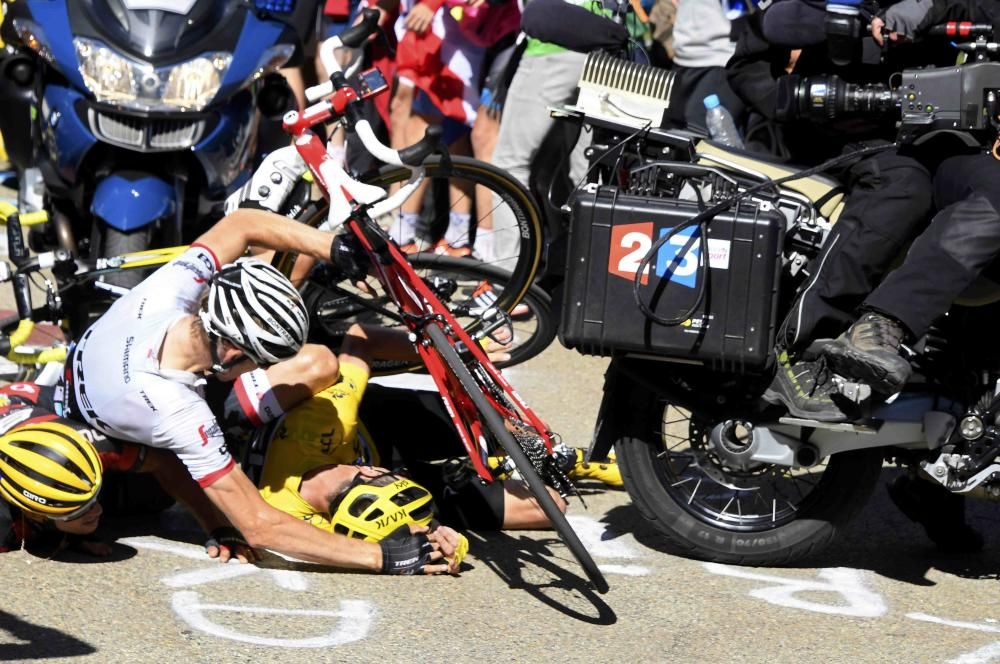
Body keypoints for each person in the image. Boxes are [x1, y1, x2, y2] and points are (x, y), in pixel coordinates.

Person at [57, 207, 463, 575]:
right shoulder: (177, 410)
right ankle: (239, 441)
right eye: (264, 359)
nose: (268, 368)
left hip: (104, 369)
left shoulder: (172, 290)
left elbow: (243, 223)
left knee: (303, 270)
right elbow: (260, 526)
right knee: (318, 364)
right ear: (233, 351)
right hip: (116, 427)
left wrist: (335, 248)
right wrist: (385, 557)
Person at [725, 0, 938, 421]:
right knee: (903, 186)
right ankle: (802, 344)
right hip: (854, 139)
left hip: (945, 134)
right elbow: (753, 47)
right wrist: (789, 101)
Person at [0, 382, 249, 559]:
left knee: (153, 491)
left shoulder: (94, 445)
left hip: (25, 402)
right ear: (35, 515)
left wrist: (217, 526)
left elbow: (166, 463)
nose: (96, 510)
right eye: (79, 509)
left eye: (92, 499)